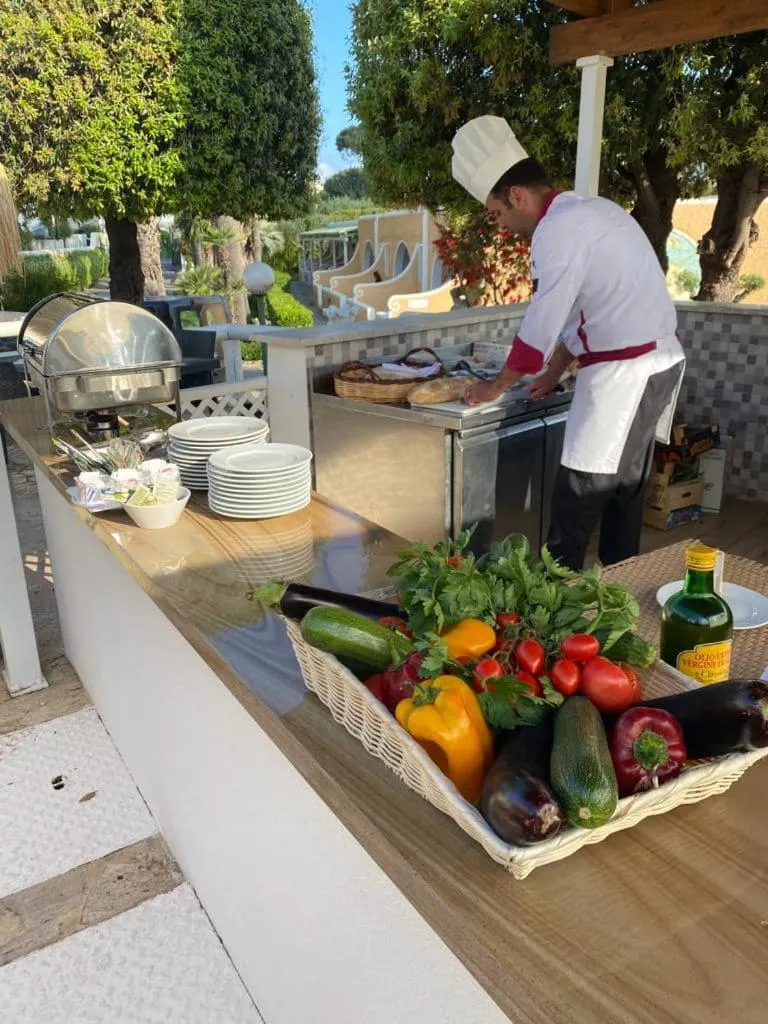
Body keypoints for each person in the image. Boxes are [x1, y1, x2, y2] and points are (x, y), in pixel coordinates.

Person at [451, 115, 686, 570]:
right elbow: (580, 311)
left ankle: (557, 621)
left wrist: (494, 387)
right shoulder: (587, 212)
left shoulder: (556, 231)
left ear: (517, 195)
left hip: (626, 374)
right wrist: (555, 369)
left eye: (498, 213)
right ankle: (620, 600)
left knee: (576, 505)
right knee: (623, 499)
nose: (501, 225)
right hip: (656, 363)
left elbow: (542, 321)